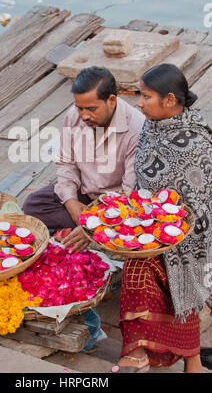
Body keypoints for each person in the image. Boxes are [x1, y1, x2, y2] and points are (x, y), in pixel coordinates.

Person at [23, 66, 145, 350]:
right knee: (32, 205)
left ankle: (91, 237)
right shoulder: (73, 117)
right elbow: (65, 165)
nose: (84, 116)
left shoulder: (136, 128)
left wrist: (94, 225)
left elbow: (130, 192)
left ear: (112, 100)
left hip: (115, 204)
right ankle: (81, 230)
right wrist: (71, 201)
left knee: (130, 224)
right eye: (80, 108)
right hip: (82, 194)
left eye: (91, 108)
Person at [111, 63, 212, 373]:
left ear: (169, 100)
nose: (139, 103)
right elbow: (142, 184)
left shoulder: (195, 144)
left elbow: (199, 209)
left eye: (146, 96)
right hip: (151, 230)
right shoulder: (152, 127)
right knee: (136, 271)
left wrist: (166, 232)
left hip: (190, 243)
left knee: (176, 280)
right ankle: (139, 351)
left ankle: (191, 361)